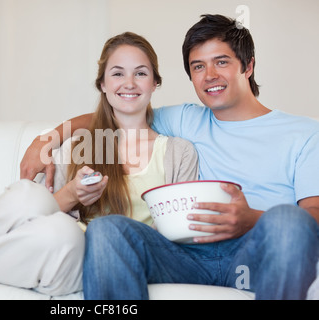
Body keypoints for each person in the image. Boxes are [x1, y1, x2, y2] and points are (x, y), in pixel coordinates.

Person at [0, 32, 198, 296]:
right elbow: (39, 218)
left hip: (100, 266)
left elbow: (173, 237)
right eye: (117, 73)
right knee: (31, 201)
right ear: (102, 84)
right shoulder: (82, 144)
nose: (129, 83)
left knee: (66, 235)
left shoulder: (178, 152)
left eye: (140, 73)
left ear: (155, 82)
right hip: (60, 248)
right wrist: (71, 194)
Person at [20, 15, 319, 300]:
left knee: (287, 220)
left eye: (221, 62)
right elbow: (120, 110)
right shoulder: (188, 119)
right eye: (198, 66)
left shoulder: (304, 133)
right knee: (108, 229)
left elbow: (314, 216)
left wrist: (250, 219)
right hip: (187, 254)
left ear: (248, 66)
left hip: (259, 251)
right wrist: (46, 139)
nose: (210, 75)